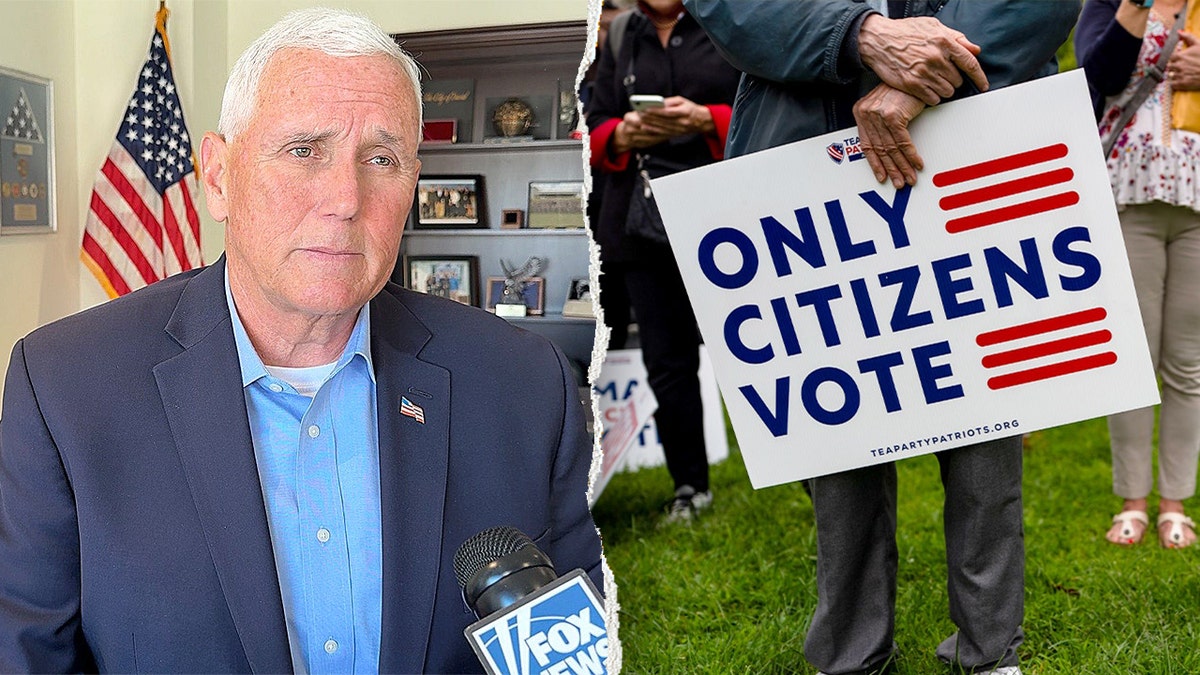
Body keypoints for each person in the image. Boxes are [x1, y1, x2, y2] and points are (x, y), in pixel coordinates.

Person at [0, 9, 602, 673]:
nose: (346, 198)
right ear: (219, 176)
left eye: (381, 157)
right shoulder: (64, 385)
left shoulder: (522, 380)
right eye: (303, 150)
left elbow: (577, 644)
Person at [685, 1, 1079, 673]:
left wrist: (931, 69)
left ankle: (989, 650)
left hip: (973, 132)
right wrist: (857, 35)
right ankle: (854, 654)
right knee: (840, 421)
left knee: (983, 398)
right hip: (803, 148)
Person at [586, 0, 739, 522]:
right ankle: (690, 487)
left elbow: (769, 111)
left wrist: (707, 120)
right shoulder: (622, 32)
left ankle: (817, 480)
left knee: (771, 345)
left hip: (729, 215)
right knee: (667, 362)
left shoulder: (732, 19)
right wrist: (622, 134)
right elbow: (595, 121)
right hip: (643, 223)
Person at [1077, 0, 1200, 549]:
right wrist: (1133, 8)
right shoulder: (1108, 3)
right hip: (1129, 195)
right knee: (1135, 359)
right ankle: (1133, 503)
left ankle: (1175, 504)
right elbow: (1094, 81)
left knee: (1188, 361)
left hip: (1197, 200)